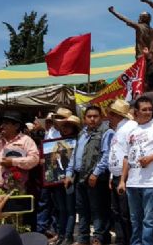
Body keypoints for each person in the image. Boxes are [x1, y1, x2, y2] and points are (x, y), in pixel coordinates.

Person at [117, 96, 153, 245]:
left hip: (150, 182)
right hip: (133, 183)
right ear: (136, 112)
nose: (148, 112)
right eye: (144, 110)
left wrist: (150, 158)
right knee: (135, 219)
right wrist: (122, 180)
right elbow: (126, 157)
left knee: (149, 219)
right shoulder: (131, 130)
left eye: (150, 109)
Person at [64, 106, 113, 245]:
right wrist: (69, 173)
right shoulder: (82, 133)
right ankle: (83, 238)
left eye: (95, 116)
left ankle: (98, 238)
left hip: (96, 178)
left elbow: (106, 155)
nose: (92, 119)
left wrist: (95, 173)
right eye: (89, 116)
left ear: (101, 117)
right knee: (82, 209)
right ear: (84, 119)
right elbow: (75, 155)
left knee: (98, 209)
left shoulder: (106, 132)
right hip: (80, 177)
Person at [0, 110, 39, 190]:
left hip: (14, 188)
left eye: (6, 123)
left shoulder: (26, 140)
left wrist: (13, 162)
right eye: (2, 123)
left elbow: (34, 160)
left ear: (16, 126)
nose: (2, 126)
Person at [106, 99, 137, 245]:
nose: (108, 117)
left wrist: (123, 179)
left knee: (125, 213)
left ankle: (128, 240)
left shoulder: (130, 127)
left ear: (116, 114)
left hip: (126, 176)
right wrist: (112, 176)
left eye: (110, 114)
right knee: (117, 212)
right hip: (117, 175)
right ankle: (121, 240)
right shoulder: (119, 128)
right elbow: (115, 152)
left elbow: (128, 154)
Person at [51, 112, 81, 245]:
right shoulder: (55, 143)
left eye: (68, 126)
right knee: (61, 209)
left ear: (74, 128)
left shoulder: (78, 141)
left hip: (71, 180)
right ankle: (61, 234)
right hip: (57, 180)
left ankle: (68, 235)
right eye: (63, 126)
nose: (65, 128)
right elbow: (52, 162)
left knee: (70, 209)